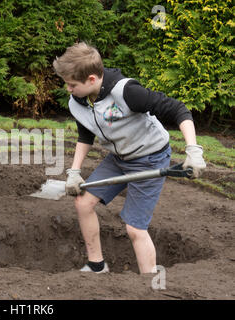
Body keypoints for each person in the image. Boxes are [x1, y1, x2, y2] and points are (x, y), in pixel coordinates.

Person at [53, 42, 206, 274]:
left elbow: (178, 109)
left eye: (72, 85)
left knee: (135, 228)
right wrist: (74, 171)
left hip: (151, 157)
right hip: (119, 158)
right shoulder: (78, 102)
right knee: (83, 202)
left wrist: (193, 150)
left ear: (92, 79)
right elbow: (85, 136)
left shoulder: (126, 92)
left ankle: (148, 283)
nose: (68, 89)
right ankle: (97, 265)